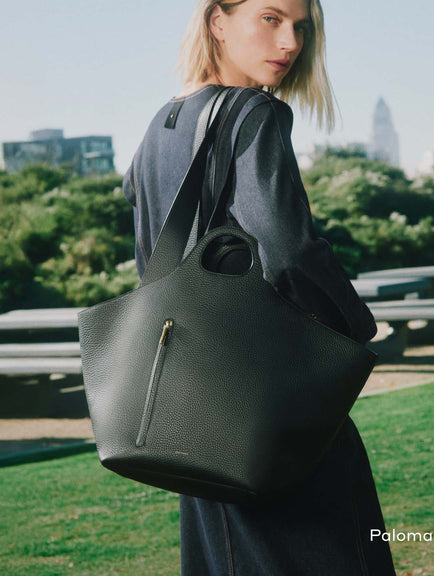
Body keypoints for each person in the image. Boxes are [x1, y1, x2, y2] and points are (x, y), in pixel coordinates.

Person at [122, 0, 396, 573]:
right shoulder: (253, 114)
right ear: (217, 22)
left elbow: (152, 253)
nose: (290, 43)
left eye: (301, 26)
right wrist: (353, 327)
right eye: (270, 19)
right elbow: (287, 248)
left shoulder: (159, 126)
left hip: (191, 409)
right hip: (268, 399)